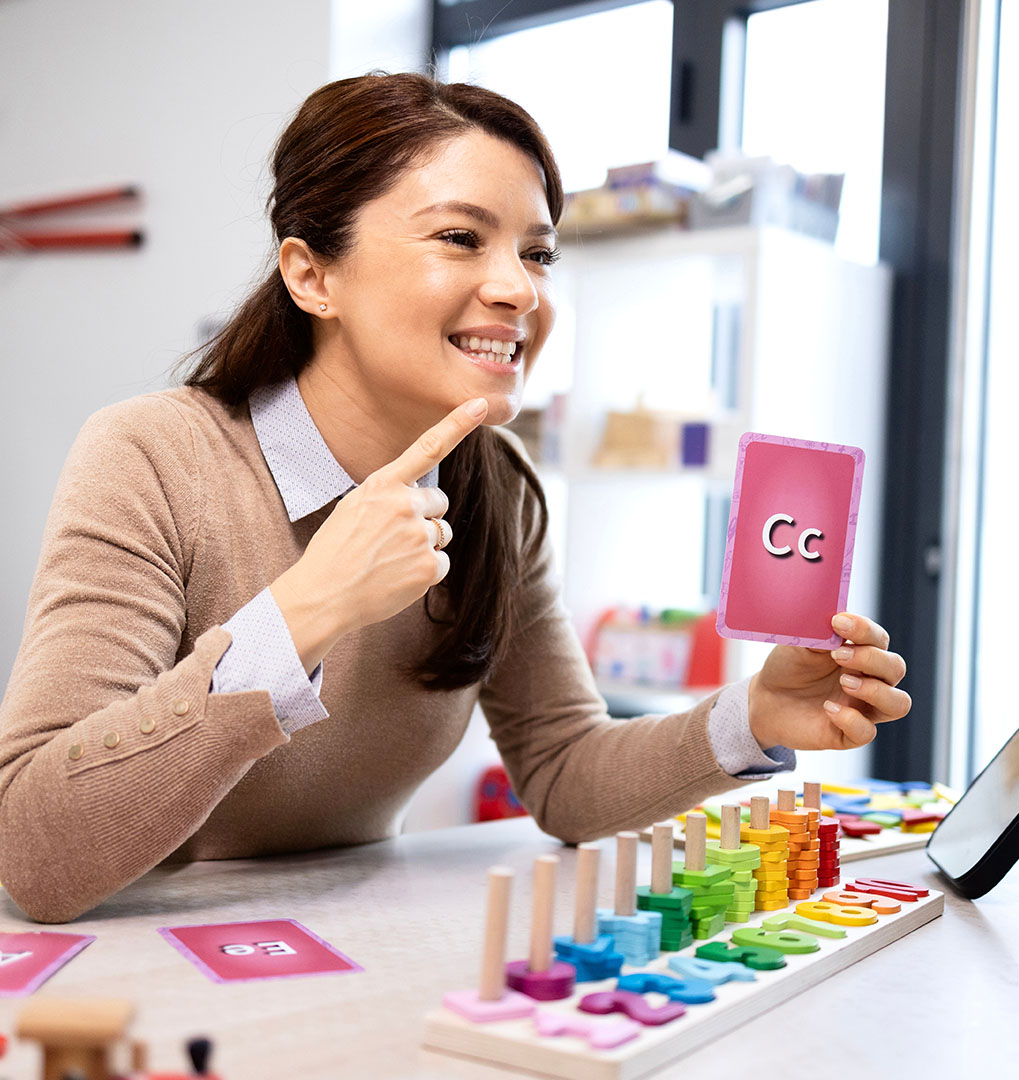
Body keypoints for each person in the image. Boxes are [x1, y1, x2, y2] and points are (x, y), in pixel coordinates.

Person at [0, 73, 910, 924]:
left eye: (538, 251)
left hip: (350, 952)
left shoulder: (499, 491)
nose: (520, 288)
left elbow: (562, 771)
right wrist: (306, 612)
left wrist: (746, 717)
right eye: (460, 237)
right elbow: (35, 852)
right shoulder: (154, 456)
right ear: (312, 275)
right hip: (135, 965)